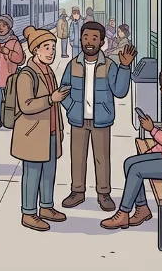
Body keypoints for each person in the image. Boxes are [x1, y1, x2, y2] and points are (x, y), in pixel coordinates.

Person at [101, 64, 162, 229]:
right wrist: (149, 153)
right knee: (130, 163)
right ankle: (142, 208)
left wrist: (152, 130)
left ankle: (123, 213)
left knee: (136, 170)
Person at [59, 21, 137, 212]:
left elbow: (120, 91)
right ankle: (77, 191)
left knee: (102, 158)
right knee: (77, 157)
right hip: (77, 120)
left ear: (102, 42)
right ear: (80, 39)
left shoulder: (109, 66)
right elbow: (63, 91)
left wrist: (125, 68)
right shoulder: (73, 65)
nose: (89, 42)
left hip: (101, 120)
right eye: (85, 37)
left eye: (94, 38)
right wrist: (71, 108)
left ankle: (104, 193)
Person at [12, 26, 70, 231]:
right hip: (34, 133)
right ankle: (28, 213)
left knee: (49, 172)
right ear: (35, 50)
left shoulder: (48, 72)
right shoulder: (27, 75)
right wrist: (51, 98)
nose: (51, 51)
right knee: (32, 173)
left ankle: (46, 207)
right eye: (46, 47)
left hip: (51, 132)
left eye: (53, 47)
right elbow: (26, 105)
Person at [0, 14, 24, 130]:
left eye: (4, 25)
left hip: (9, 78)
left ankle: (10, 118)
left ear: (9, 27)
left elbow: (20, 59)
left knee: (10, 100)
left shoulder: (14, 41)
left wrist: (8, 52)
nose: (0, 28)